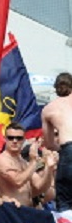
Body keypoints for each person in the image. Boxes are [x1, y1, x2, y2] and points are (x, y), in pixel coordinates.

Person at [0, 122, 55, 207]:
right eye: (11, 138)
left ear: (24, 140)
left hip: (26, 209)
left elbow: (40, 187)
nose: (15, 141)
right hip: (11, 209)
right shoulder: (1, 160)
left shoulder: (23, 162)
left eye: (19, 138)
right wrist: (33, 161)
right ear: (5, 139)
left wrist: (49, 168)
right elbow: (18, 181)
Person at [41, 71, 72, 210]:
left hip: (68, 149)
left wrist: (61, 149)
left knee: (65, 200)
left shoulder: (49, 108)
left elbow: (48, 143)